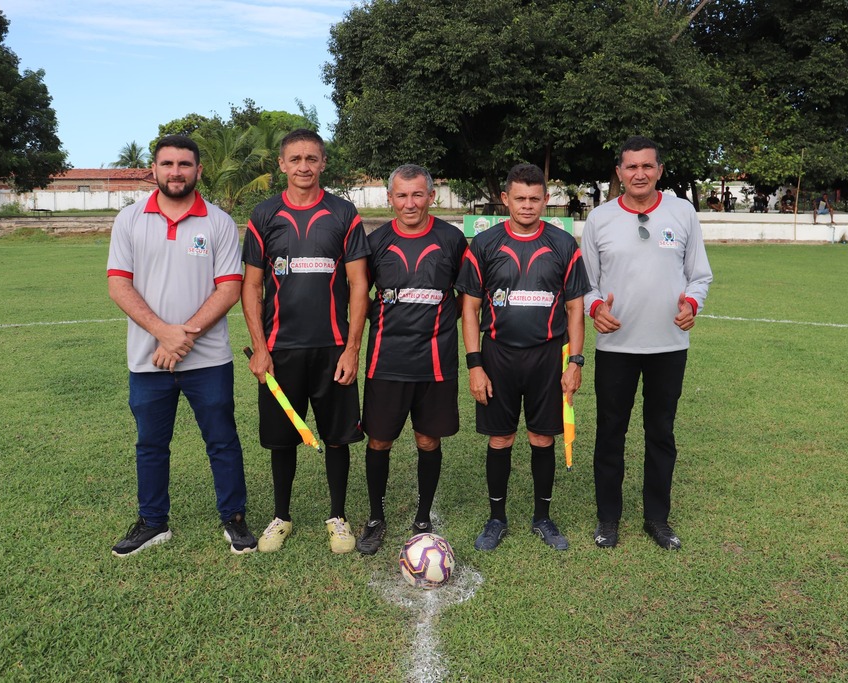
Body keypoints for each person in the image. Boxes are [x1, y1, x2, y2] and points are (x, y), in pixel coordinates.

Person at [107, 134, 256, 557]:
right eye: (168, 164)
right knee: (151, 445)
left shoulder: (219, 223)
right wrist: (163, 332)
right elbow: (119, 285)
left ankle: (235, 519)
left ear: (198, 171)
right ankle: (153, 523)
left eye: (184, 164)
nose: (176, 172)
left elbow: (228, 289)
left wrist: (181, 335)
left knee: (222, 440)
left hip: (208, 361)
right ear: (154, 169)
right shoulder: (130, 219)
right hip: (148, 359)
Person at [241, 128, 370, 554]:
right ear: (281, 165)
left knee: (337, 435)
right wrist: (260, 348)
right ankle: (281, 516)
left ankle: (338, 516)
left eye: (311, 158)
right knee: (282, 438)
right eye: (294, 159)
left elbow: (357, 285)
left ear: (323, 163)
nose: (303, 166)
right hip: (280, 350)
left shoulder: (344, 213)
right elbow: (251, 287)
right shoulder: (263, 215)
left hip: (333, 348)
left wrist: (352, 348)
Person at [581, 135, 712, 551]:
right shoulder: (599, 219)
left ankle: (657, 518)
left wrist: (692, 302)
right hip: (616, 347)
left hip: (668, 346)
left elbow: (700, 275)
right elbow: (585, 283)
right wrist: (595, 306)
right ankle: (608, 519)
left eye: (647, 166)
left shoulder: (682, 212)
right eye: (631, 167)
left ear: (659, 171)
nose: (639, 174)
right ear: (619, 173)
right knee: (610, 433)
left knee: (660, 433)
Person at [456, 163, 588, 552]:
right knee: (501, 437)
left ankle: (543, 518)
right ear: (505, 199)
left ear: (546, 200)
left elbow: (576, 309)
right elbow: (469, 309)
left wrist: (575, 362)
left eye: (535, 199)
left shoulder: (564, 245)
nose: (528, 206)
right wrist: (475, 364)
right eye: (520, 198)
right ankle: (496, 518)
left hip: (548, 355)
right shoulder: (485, 244)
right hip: (497, 355)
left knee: (541, 436)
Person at [355, 164, 468, 555]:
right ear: (390, 199)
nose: (409, 203)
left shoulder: (452, 239)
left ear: (431, 196)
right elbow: (359, 295)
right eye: (401, 195)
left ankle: (423, 518)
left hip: (435, 362)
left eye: (417, 194)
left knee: (427, 438)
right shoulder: (377, 241)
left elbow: (465, 297)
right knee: (380, 440)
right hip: (386, 360)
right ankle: (375, 518)